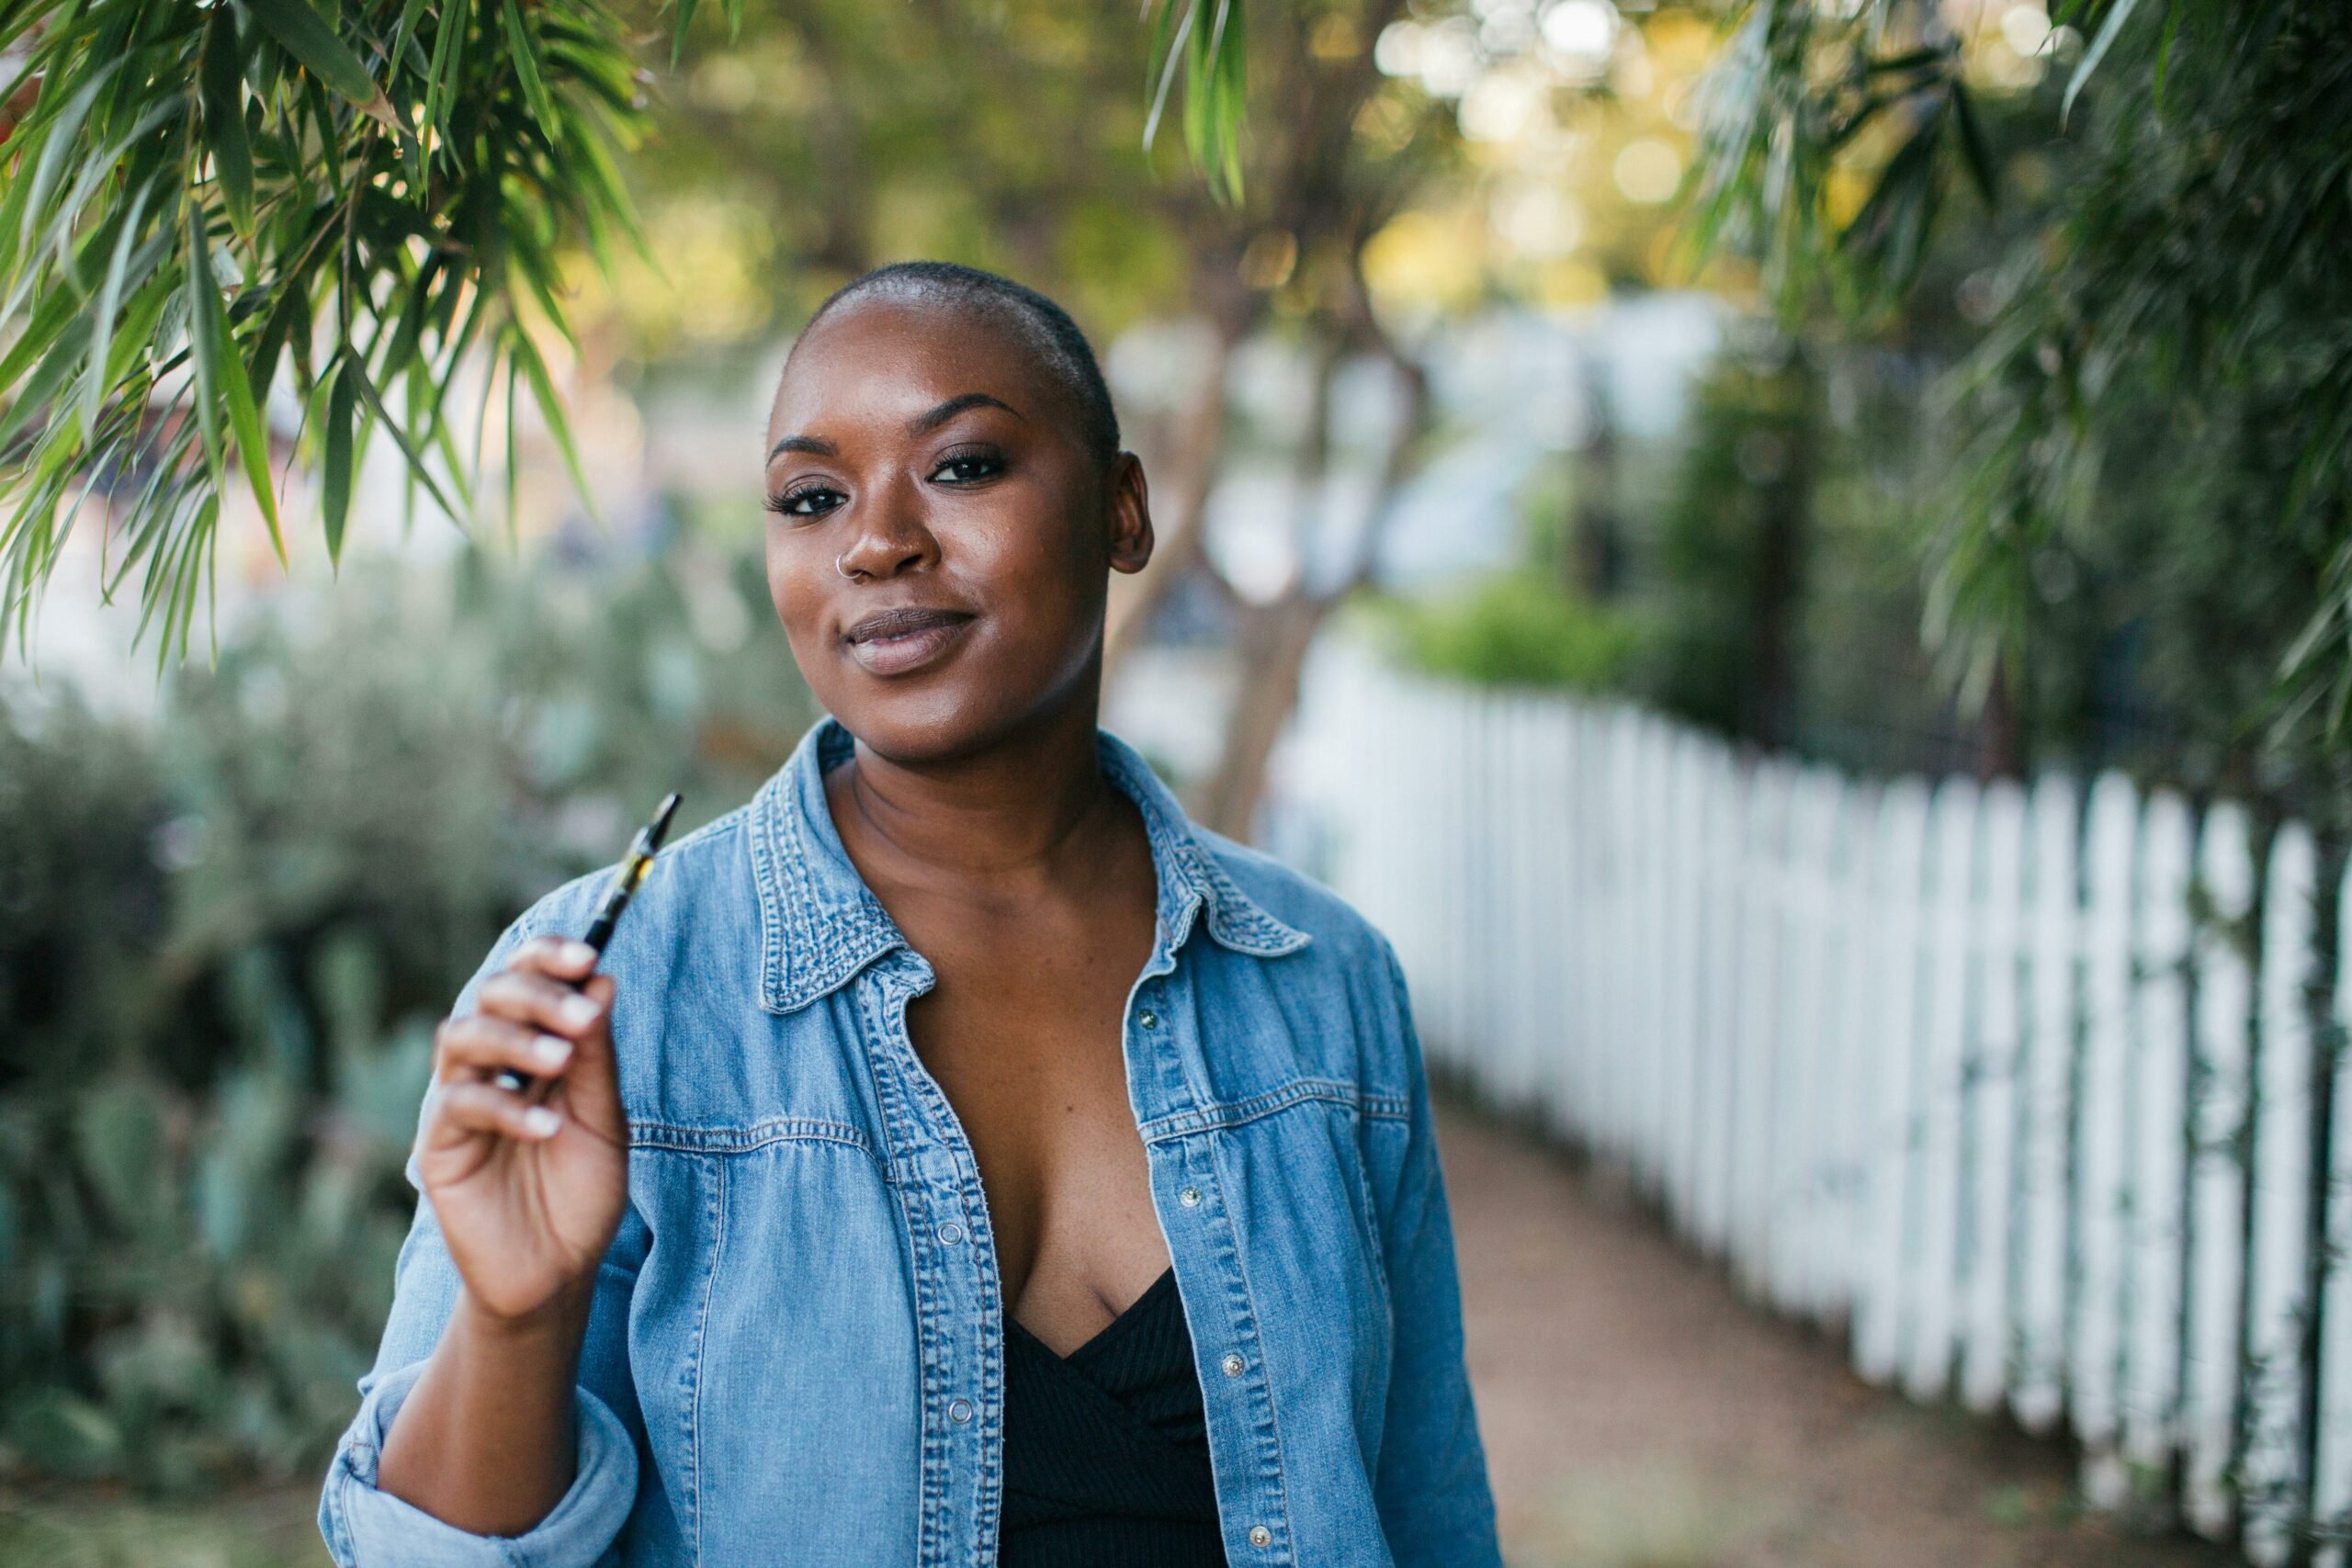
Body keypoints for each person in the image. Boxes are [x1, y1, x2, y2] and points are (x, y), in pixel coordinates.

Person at [316, 260, 1501, 1567]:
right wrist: (516, 1316)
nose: (876, 541)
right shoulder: (616, 987)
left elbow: (1426, 1508)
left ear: (1121, 510)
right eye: (812, 498)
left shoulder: (1320, 980)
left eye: (964, 466)